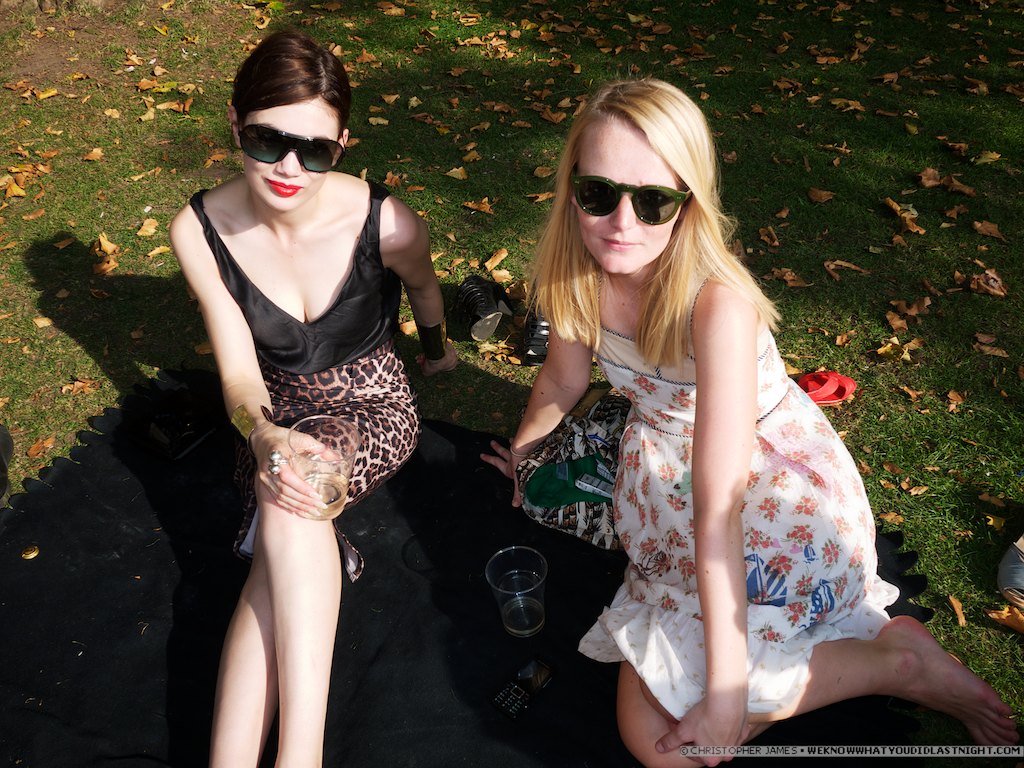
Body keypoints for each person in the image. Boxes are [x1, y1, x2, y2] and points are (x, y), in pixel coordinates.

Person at [483, 78, 1017, 767]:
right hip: (663, 479)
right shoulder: (574, 275)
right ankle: (884, 660)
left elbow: (720, 506)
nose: (621, 222)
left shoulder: (716, 305)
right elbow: (563, 379)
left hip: (764, 489)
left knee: (668, 749)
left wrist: (729, 694)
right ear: (571, 190)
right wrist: (528, 454)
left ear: (689, 202)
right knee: (655, 741)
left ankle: (897, 666)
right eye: (598, 193)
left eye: (653, 200)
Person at [169, 29, 456, 768]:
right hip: (273, 416)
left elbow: (425, 289)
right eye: (268, 141)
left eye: (317, 150)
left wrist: (436, 350)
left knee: (293, 490)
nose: (290, 168)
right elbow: (239, 376)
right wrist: (263, 435)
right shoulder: (199, 231)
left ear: (343, 145)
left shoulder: (388, 223)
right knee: (284, 515)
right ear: (236, 123)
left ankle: (299, 755)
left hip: (372, 403)